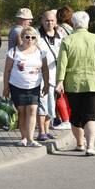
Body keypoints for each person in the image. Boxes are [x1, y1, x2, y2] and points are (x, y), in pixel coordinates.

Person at [55, 11, 95, 156]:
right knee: (92, 115)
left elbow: (62, 64)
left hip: (73, 83)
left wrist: (60, 81)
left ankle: (80, 143)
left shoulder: (68, 40)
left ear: (73, 23)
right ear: (87, 23)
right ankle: (90, 146)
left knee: (76, 115)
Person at [3, 26, 49, 147]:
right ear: (22, 37)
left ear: (36, 39)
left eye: (33, 37)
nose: (30, 39)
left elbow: (45, 69)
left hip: (34, 86)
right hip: (16, 85)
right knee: (21, 111)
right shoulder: (14, 51)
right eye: (27, 37)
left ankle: (31, 139)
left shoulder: (40, 51)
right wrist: (5, 87)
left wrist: (47, 84)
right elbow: (7, 70)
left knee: (33, 110)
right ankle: (23, 138)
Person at [36, 10, 63, 141]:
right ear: (42, 20)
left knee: (51, 105)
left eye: (52, 20)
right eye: (47, 20)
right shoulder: (36, 35)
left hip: (54, 75)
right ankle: (41, 131)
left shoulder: (60, 35)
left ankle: (46, 130)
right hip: (40, 76)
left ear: (56, 21)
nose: (49, 23)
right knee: (42, 104)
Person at [53, 5, 74, 129]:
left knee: (59, 93)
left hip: (60, 62)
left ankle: (64, 119)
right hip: (72, 63)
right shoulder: (72, 29)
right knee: (68, 94)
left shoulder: (59, 30)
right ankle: (70, 117)